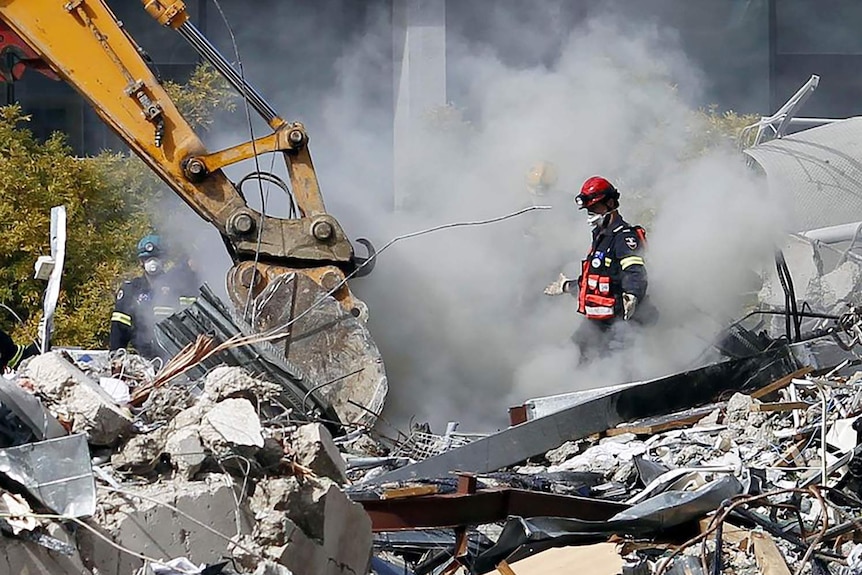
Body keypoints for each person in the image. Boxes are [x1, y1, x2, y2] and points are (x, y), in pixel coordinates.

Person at [543, 176, 656, 360]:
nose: (590, 214)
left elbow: (634, 270)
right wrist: (567, 286)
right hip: (597, 321)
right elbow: (597, 281)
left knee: (615, 366)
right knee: (570, 356)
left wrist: (632, 294)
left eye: (594, 208)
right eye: (588, 210)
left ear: (610, 203)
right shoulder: (600, 236)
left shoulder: (624, 237)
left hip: (620, 320)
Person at [109, 234, 201, 359]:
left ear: (163, 259)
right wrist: (115, 358)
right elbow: (119, 328)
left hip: (175, 359)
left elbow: (194, 324)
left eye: (156, 257)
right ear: (140, 261)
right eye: (146, 258)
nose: (152, 262)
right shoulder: (130, 290)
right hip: (144, 359)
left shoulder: (179, 287)